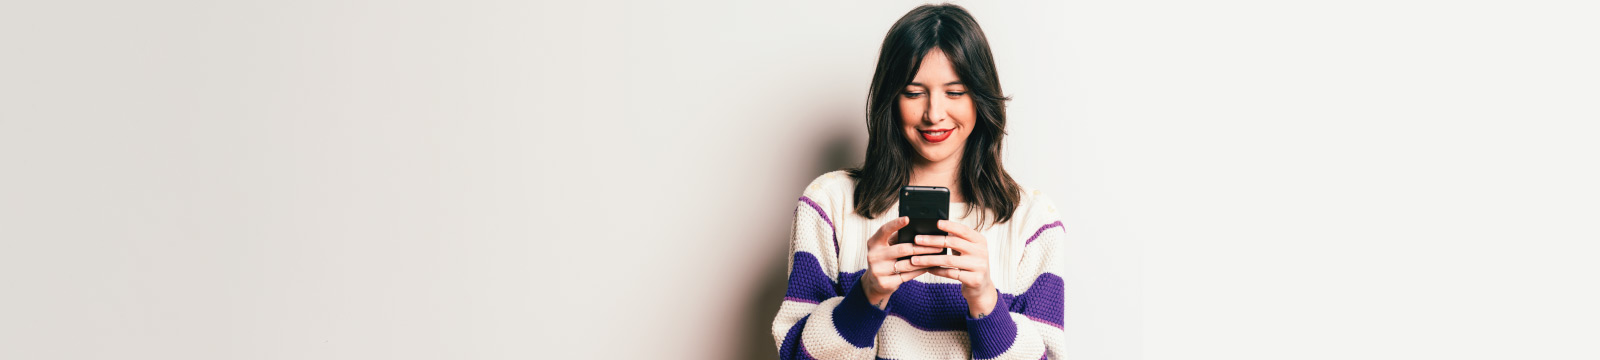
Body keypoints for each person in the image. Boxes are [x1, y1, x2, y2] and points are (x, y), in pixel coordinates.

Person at [771, 4, 1067, 359]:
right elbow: (795, 355)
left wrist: (986, 300)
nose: (934, 113)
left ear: (980, 98)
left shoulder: (1032, 221)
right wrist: (867, 295)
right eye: (913, 92)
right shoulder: (829, 204)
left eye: (955, 92)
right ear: (890, 99)